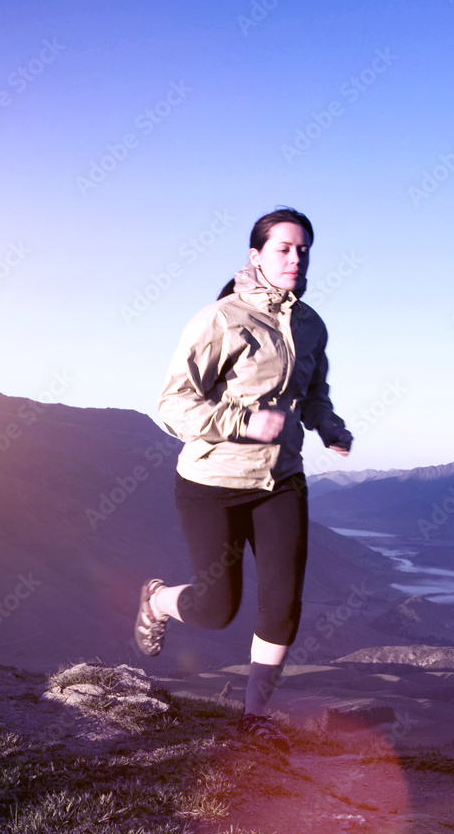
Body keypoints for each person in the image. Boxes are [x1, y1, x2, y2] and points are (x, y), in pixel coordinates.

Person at [134, 207, 352, 751]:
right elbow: (172, 405)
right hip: (213, 482)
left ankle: (253, 719)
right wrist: (244, 422)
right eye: (283, 249)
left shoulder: (311, 324)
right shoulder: (219, 320)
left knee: (283, 601)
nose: (295, 259)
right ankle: (158, 601)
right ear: (256, 256)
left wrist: (329, 426)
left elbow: (313, 392)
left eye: (303, 250)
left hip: (281, 479)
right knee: (216, 608)